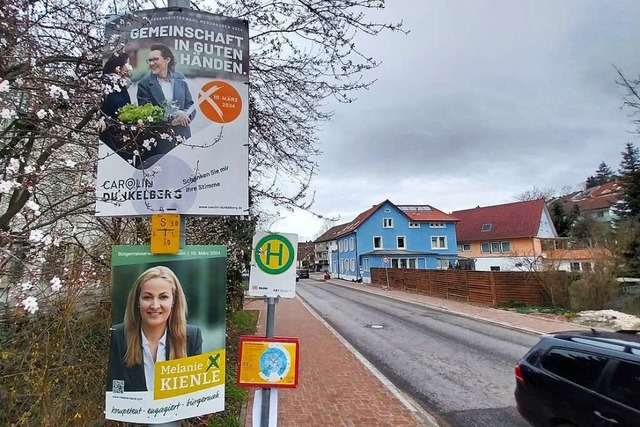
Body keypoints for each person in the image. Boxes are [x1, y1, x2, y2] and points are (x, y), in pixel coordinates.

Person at [107, 266, 203, 394]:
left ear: (174, 301)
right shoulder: (117, 336)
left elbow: (196, 393)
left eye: (163, 297)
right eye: (147, 297)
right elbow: (114, 391)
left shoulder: (192, 337)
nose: (155, 305)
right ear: (137, 301)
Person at [137, 43, 195, 141]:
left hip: (183, 136)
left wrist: (185, 116)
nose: (151, 63)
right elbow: (147, 114)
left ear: (167, 60)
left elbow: (191, 105)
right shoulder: (144, 84)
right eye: (150, 60)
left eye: (155, 59)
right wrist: (172, 121)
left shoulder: (180, 78)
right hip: (159, 139)